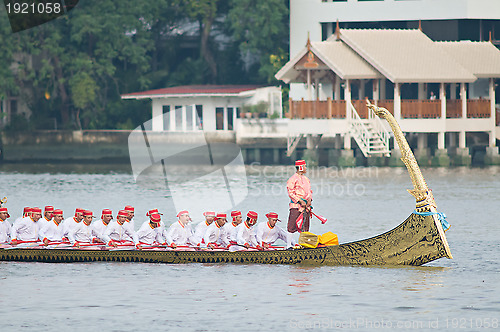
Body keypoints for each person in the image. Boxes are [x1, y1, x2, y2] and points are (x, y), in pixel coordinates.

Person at [286, 160, 313, 240]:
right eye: (305, 166)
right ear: (300, 167)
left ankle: (303, 244)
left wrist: (309, 200)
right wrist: (300, 201)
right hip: (296, 206)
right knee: (291, 226)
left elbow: (310, 192)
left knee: (305, 227)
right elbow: (290, 193)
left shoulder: (306, 179)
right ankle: (289, 245)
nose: (306, 168)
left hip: (306, 207)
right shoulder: (292, 179)